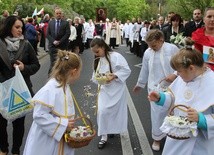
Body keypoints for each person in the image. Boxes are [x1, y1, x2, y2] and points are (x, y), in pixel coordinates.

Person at [148, 38, 214, 155]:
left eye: (179, 71)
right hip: (177, 136)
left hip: (200, 143)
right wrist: (160, 98)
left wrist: (202, 120)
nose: (177, 75)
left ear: (191, 68)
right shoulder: (184, 78)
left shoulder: (211, 81)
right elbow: (174, 99)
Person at [23, 50, 82, 155]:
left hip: (59, 137)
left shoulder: (64, 85)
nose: (79, 75)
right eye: (79, 72)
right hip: (46, 141)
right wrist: (63, 124)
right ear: (73, 71)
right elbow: (39, 115)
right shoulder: (50, 89)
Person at [133, 29, 179, 151]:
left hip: (172, 86)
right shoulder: (148, 53)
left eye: (154, 45)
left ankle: (173, 137)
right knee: (157, 114)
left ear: (161, 40)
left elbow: (182, 63)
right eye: (149, 45)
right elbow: (145, 70)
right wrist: (140, 84)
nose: (151, 48)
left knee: (172, 112)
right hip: (154, 87)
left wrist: (175, 74)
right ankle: (157, 138)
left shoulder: (172, 48)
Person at [0, 15, 40, 155]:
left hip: (21, 90)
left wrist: (24, 68)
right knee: (1, 123)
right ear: (8, 27)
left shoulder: (26, 44)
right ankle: (3, 149)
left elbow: (36, 65)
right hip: (2, 90)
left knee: (18, 123)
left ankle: (16, 150)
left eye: (21, 27)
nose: (20, 30)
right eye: (17, 27)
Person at [90, 37, 131, 149]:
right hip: (104, 90)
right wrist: (99, 79)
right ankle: (103, 136)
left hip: (116, 89)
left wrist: (115, 76)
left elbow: (126, 70)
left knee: (114, 112)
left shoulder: (116, 56)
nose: (96, 54)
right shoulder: (97, 60)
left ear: (103, 47)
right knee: (102, 111)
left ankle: (112, 129)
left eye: (97, 51)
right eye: (94, 53)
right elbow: (94, 76)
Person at [46, 8, 70, 72]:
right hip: (53, 47)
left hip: (62, 47)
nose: (58, 15)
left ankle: (62, 77)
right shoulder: (51, 23)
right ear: (54, 14)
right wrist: (53, 41)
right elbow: (47, 34)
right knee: (53, 64)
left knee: (62, 63)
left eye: (60, 13)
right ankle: (51, 78)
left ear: (61, 14)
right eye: (57, 13)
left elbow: (67, 34)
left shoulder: (66, 23)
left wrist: (60, 41)